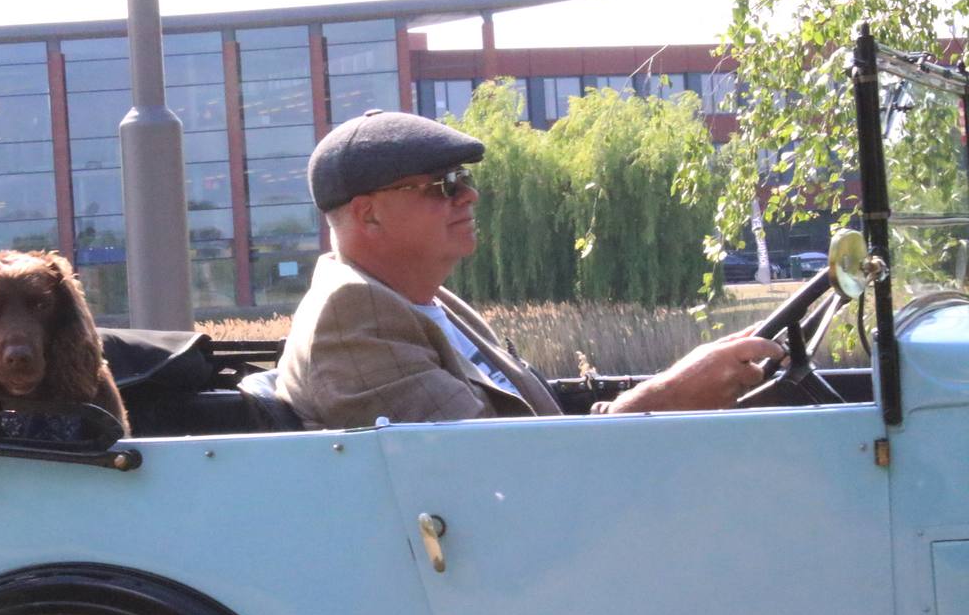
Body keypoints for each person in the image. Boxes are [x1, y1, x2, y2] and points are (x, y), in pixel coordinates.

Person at [275, 109, 783, 430]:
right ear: (368, 214)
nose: (469, 195)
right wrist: (664, 398)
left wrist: (670, 388)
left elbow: (533, 429)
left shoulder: (426, 299)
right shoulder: (352, 318)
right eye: (443, 185)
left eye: (463, 178)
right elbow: (495, 472)